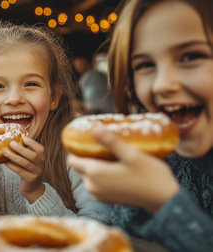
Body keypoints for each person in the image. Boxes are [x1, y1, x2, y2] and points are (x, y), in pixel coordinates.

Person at [67, 0, 213, 251]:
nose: (162, 85)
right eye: (145, 65)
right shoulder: (154, 159)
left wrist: (165, 203)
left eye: (191, 56)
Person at [0, 22, 111, 222]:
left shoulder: (79, 150)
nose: (14, 98)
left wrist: (36, 191)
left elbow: (99, 228)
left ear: (53, 97)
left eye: (31, 84)